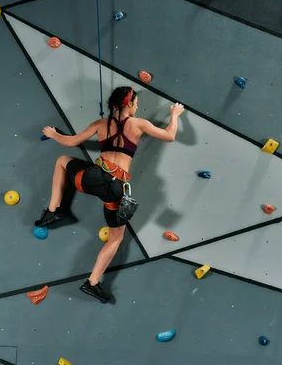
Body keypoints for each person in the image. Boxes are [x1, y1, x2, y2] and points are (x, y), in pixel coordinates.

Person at [35, 86, 184, 302]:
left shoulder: (100, 124)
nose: (138, 106)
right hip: (115, 190)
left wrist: (53, 133)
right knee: (115, 238)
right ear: (129, 104)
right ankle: (92, 283)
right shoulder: (138, 124)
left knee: (61, 161)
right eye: (136, 103)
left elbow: (71, 142)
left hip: (91, 179)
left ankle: (52, 211)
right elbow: (170, 136)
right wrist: (174, 115)